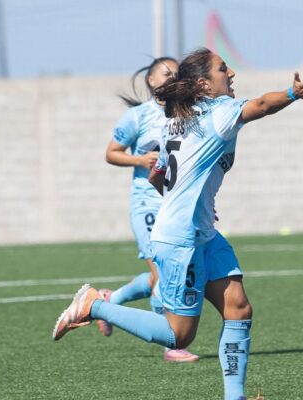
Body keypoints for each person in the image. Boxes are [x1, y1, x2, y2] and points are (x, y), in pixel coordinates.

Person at [52, 47, 303, 400]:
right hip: (181, 239)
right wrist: (292, 93)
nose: (231, 73)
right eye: (223, 68)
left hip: (202, 232)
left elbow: (158, 176)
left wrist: (193, 202)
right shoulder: (219, 112)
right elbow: (263, 105)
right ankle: (94, 306)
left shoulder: (178, 120)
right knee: (178, 336)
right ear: (204, 83)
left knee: (238, 307)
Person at [100, 56, 199, 363]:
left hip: (176, 206)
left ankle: (110, 301)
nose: (172, 77)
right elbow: (111, 153)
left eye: (177, 74)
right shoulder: (138, 116)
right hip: (147, 203)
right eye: (166, 73)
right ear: (151, 81)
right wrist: (140, 160)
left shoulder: (187, 114)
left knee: (166, 273)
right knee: (162, 273)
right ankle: (171, 344)